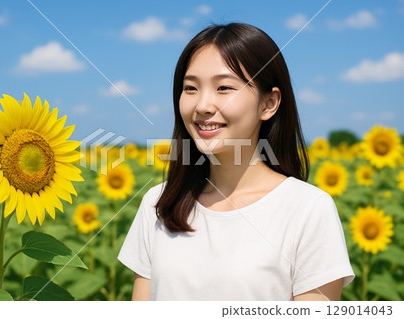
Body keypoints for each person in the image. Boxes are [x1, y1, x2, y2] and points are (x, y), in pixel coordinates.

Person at [118, 23, 354, 301]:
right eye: (190, 88)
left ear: (269, 103)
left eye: (224, 87)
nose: (203, 105)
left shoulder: (308, 210)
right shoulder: (159, 203)